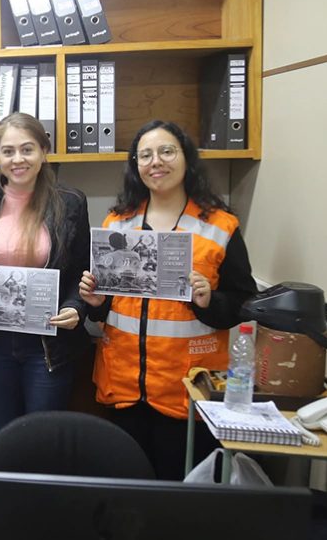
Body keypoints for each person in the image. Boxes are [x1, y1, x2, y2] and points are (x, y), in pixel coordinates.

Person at [79, 120, 257, 480]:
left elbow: (243, 301)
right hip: (124, 389)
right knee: (127, 495)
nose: (156, 162)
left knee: (179, 497)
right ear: (136, 166)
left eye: (166, 151)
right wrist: (97, 303)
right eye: (145, 155)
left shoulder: (219, 226)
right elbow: (110, 307)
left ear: (186, 158)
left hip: (187, 393)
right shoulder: (117, 224)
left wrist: (208, 300)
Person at [0, 113, 90, 433]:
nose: (18, 159)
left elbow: (82, 269)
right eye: (8, 151)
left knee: (41, 439)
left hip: (47, 344)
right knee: (4, 437)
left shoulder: (70, 202)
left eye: (27, 149)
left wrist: (75, 307)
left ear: (43, 151)